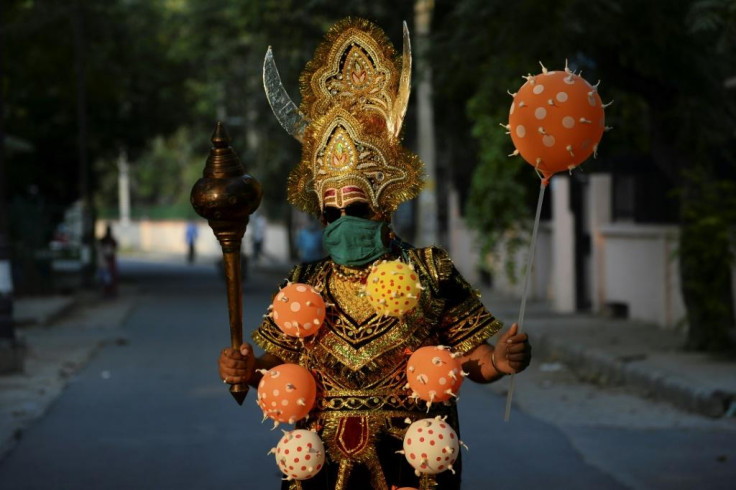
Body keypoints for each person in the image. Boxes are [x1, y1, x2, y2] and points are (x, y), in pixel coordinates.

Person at [219, 18, 531, 490]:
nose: (343, 221)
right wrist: (241, 369)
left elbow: (476, 359)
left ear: (384, 208)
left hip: (414, 465)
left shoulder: (430, 271)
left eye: (357, 207)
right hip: (318, 467)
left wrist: (502, 362)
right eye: (331, 213)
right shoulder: (304, 283)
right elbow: (272, 369)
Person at [98, 224, 118, 297]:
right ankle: (107, 292)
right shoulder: (105, 240)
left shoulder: (111, 240)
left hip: (109, 261)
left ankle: (110, 291)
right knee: (106, 277)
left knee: (110, 277)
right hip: (105, 262)